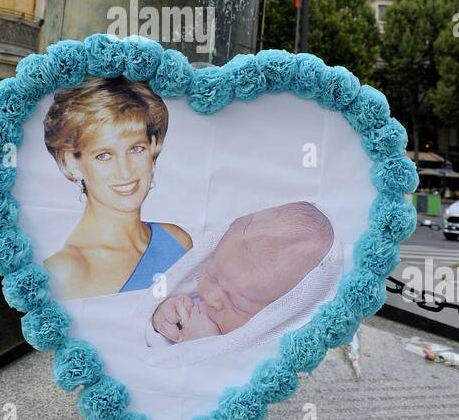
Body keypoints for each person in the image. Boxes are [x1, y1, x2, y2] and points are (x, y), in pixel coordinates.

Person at [42, 77, 191, 301]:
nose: (125, 172)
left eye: (136, 149)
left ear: (153, 148)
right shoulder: (64, 272)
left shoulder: (177, 241)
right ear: (71, 163)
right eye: (104, 155)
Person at [150, 202, 333, 343]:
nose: (212, 298)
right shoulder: (211, 299)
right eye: (213, 276)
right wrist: (165, 314)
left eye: (236, 304)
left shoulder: (258, 346)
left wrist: (203, 346)